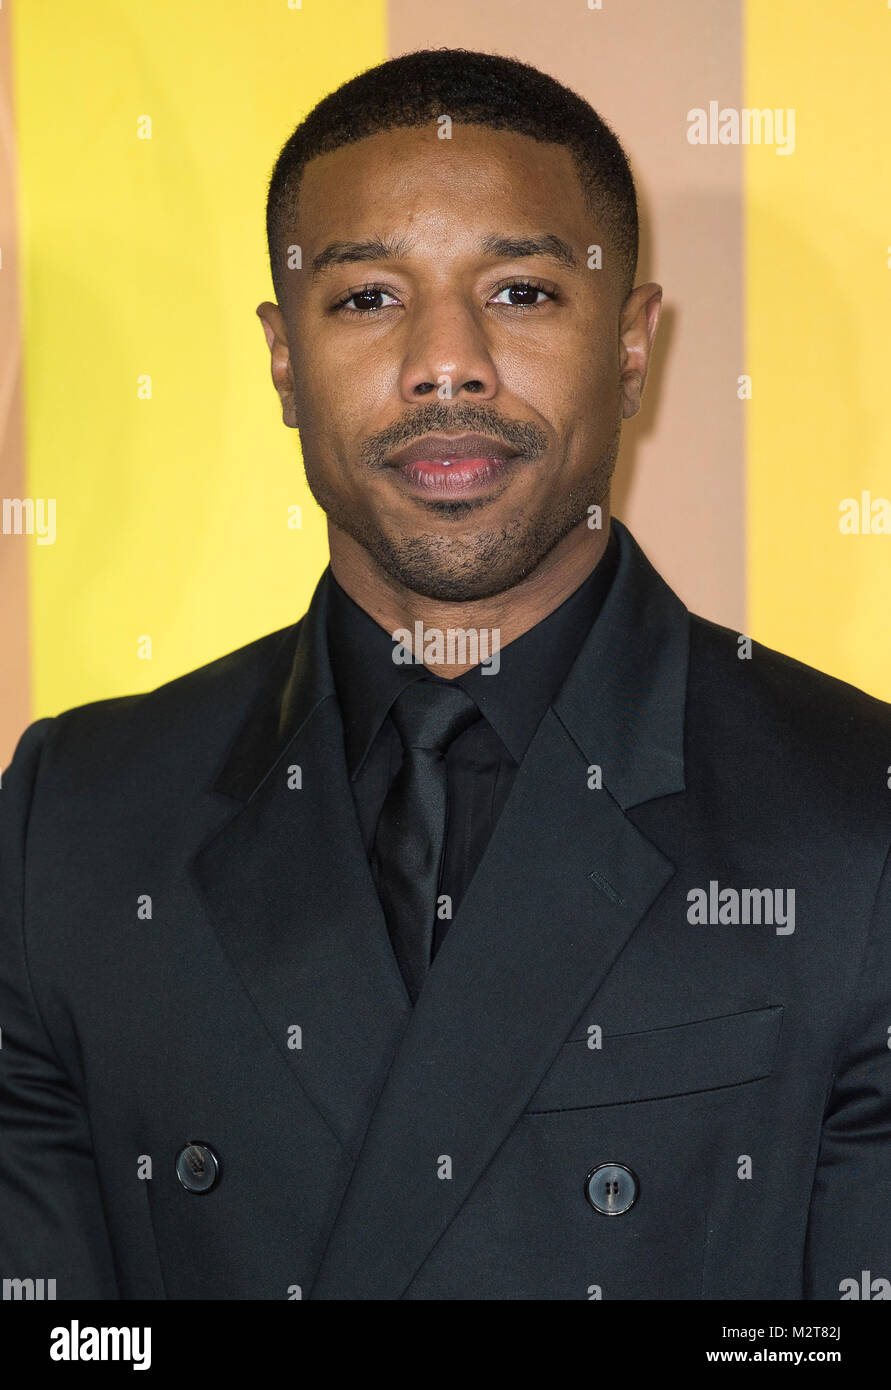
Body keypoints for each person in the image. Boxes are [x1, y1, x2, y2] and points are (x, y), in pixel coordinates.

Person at [1, 48, 889, 1302]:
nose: (447, 365)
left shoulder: (858, 816)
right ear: (281, 359)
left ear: (633, 345)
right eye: (367, 299)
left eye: (521, 291)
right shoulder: (74, 823)